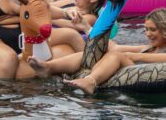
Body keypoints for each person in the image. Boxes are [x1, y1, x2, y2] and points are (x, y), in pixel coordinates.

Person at [28, 8, 166, 94]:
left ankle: (90, 81)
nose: (148, 34)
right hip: (127, 71)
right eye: (146, 29)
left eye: (153, 30)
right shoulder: (147, 48)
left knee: (116, 56)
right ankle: (48, 67)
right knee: (91, 51)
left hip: (142, 75)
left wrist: (132, 56)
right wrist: (87, 27)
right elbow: (114, 47)